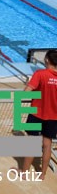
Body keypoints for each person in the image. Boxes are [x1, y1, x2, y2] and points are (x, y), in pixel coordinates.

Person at [14, 49, 57, 181]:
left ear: (47, 60)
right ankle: (42, 174)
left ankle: (24, 173)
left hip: (37, 114)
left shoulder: (40, 74)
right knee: (47, 144)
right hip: (54, 117)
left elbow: (25, 94)